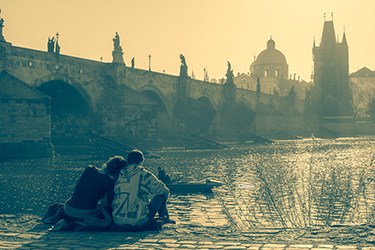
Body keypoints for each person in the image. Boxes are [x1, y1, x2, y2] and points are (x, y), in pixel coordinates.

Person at [52, 156, 127, 231]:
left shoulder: (89, 168)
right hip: (85, 213)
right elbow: (108, 203)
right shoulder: (109, 182)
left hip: (69, 211)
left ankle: (66, 221)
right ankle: (80, 223)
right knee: (106, 218)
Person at [112, 150, 174, 230]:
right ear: (142, 161)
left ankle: (164, 217)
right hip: (139, 220)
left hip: (117, 219)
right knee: (163, 193)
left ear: (128, 161)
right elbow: (164, 190)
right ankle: (164, 217)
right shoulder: (144, 174)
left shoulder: (118, 174)